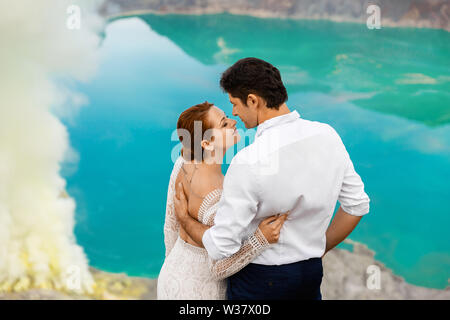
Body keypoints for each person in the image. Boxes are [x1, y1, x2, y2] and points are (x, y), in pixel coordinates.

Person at [174, 57, 371, 300]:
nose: (234, 113)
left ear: (253, 100)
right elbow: (357, 206)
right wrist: (318, 250)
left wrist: (185, 221)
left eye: (235, 104)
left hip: (258, 283)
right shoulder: (328, 135)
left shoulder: (248, 160)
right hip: (309, 276)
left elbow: (222, 245)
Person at [157, 101, 289, 300]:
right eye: (224, 124)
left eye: (227, 117)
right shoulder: (217, 196)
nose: (233, 121)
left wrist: (172, 264)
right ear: (207, 143)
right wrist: (260, 239)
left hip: (170, 274)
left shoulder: (182, 163)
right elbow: (218, 268)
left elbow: (170, 226)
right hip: (199, 291)